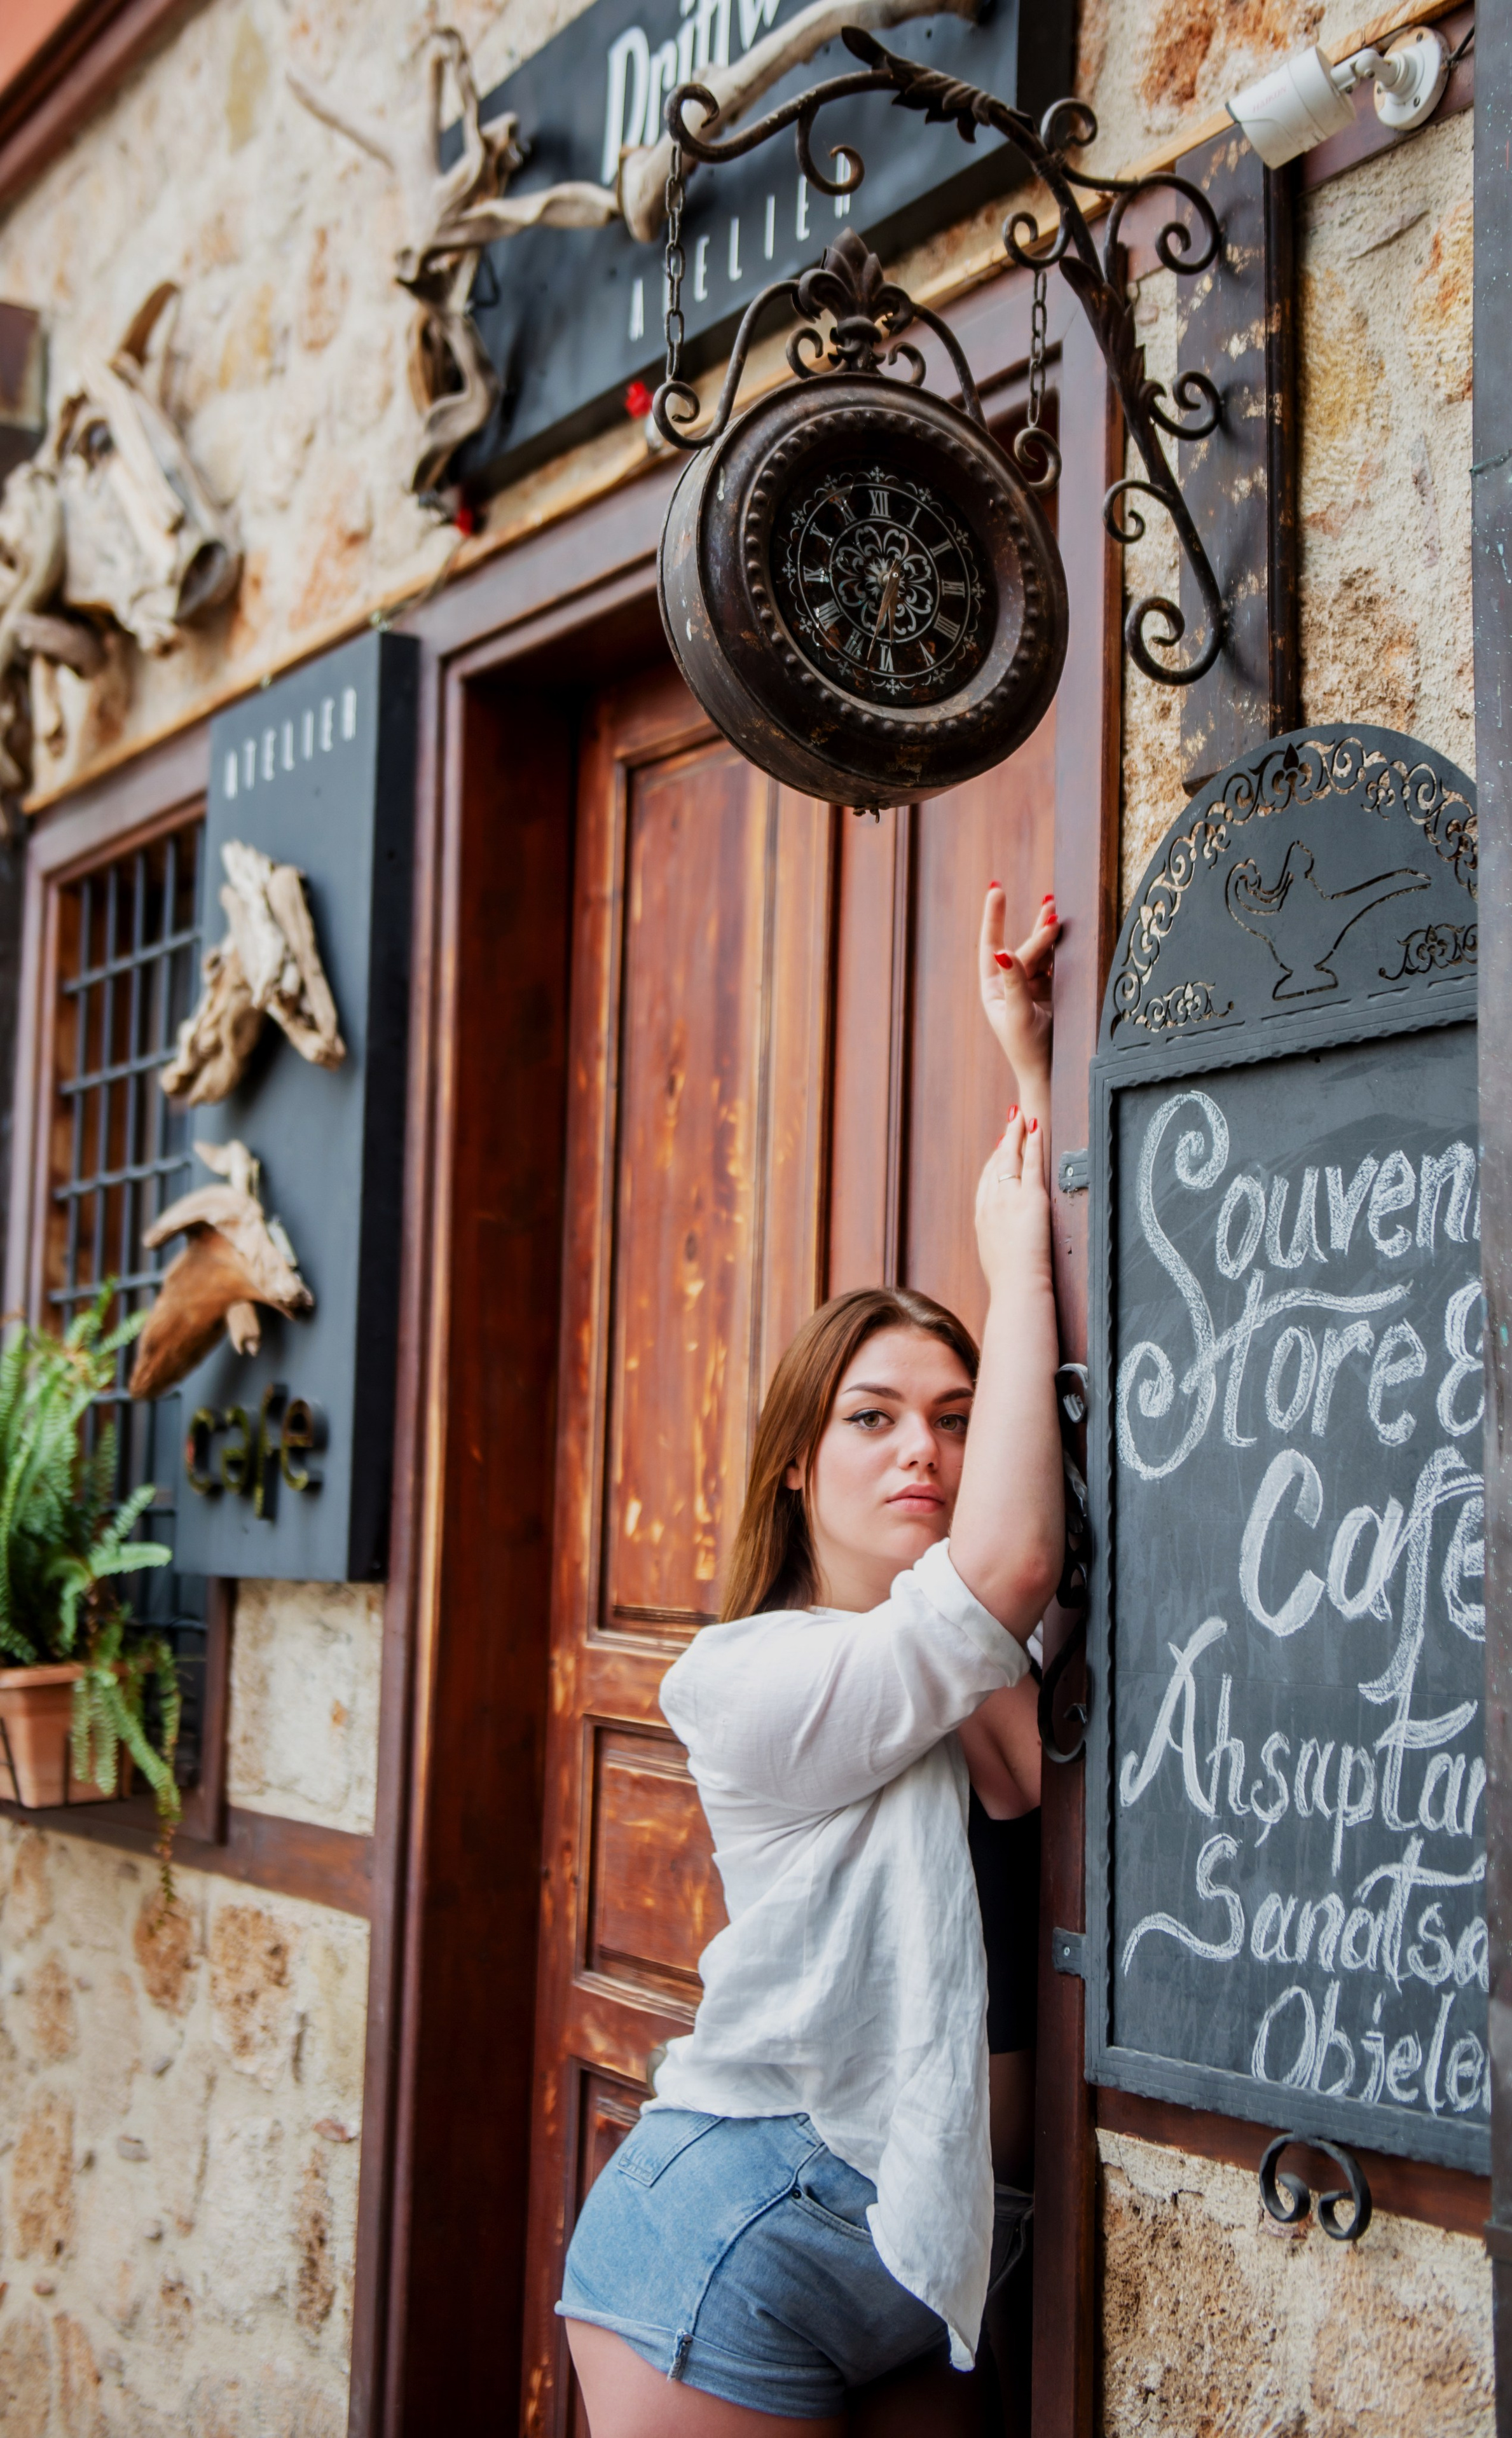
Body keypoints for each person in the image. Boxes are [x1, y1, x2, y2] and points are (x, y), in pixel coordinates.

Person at [559, 886, 1063, 2436]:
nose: (922, 1447)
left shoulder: (980, 1657)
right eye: (871, 1416)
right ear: (795, 1462)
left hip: (931, 2243)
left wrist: (1033, 1071)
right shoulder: (749, 1679)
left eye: (957, 1416)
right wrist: (1011, 1271)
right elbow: (1006, 1559)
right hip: (737, 2241)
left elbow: (1012, 1626)